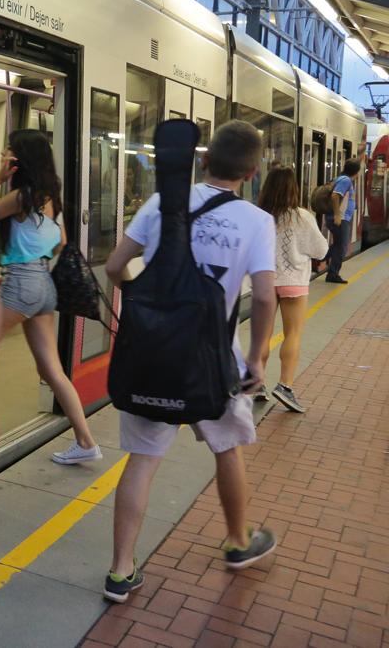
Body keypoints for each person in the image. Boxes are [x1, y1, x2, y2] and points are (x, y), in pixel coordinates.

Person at [102, 120, 278, 603]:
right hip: (215, 361)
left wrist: (143, 302)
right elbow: (264, 297)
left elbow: (117, 267)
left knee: (142, 461)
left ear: (204, 160)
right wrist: (259, 357)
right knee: (228, 449)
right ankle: (239, 542)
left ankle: (120, 572)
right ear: (252, 171)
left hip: (155, 357)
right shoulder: (257, 221)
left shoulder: (161, 203)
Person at [0, 130, 101, 464]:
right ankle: (86, 441)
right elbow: (60, 242)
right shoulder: (51, 196)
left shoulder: (22, 196)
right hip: (44, 284)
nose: (5, 155)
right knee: (52, 370)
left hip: (21, 283)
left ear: (21, 158)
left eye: (9, 152)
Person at [256, 167, 329, 413]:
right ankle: (285, 386)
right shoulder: (302, 217)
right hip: (293, 282)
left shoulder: (258, 216)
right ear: (293, 189)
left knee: (262, 335)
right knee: (293, 334)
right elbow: (320, 251)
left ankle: (257, 383)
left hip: (263, 280)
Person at [323, 156, 362, 283]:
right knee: (342, 247)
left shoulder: (341, 178)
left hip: (341, 218)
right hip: (341, 219)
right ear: (356, 172)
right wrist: (337, 215)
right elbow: (335, 196)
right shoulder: (346, 181)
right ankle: (332, 274)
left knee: (338, 245)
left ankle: (319, 258)